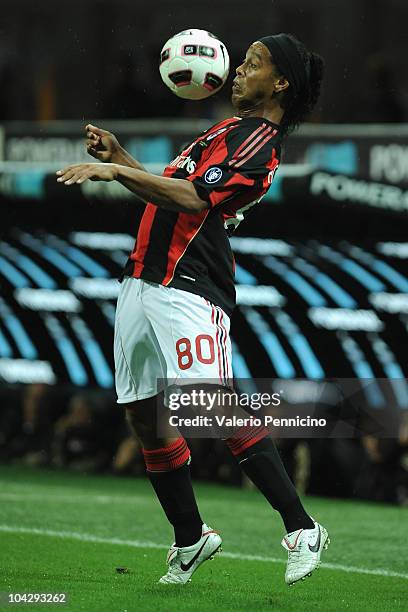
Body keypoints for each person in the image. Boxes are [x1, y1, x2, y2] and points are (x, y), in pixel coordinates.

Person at [57, 33, 328, 586]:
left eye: (252, 64)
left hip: (189, 282)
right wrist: (122, 158)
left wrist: (116, 174)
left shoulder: (259, 140)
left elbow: (193, 201)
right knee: (142, 411)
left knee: (211, 404)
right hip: (141, 277)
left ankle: (302, 527)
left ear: (280, 84)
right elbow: (171, 188)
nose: (238, 72)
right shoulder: (224, 131)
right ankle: (190, 540)